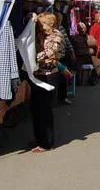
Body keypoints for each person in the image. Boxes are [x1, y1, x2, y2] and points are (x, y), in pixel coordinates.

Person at [31, 12, 65, 153]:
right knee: (35, 109)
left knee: (45, 109)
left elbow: (51, 52)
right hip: (37, 74)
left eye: (42, 24)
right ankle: (38, 138)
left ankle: (46, 142)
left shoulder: (57, 36)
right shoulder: (39, 35)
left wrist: (34, 57)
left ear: (49, 24)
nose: (40, 26)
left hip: (50, 75)